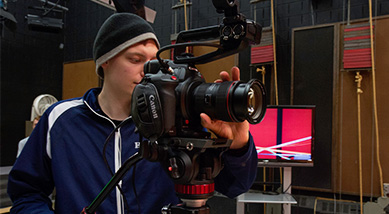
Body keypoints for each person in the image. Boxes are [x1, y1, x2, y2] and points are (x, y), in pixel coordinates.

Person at [7, 13, 258, 214]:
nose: (147, 73)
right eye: (136, 59)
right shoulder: (59, 119)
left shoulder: (179, 121)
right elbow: (27, 193)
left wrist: (238, 147)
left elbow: (234, 186)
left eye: (154, 64)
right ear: (104, 62)